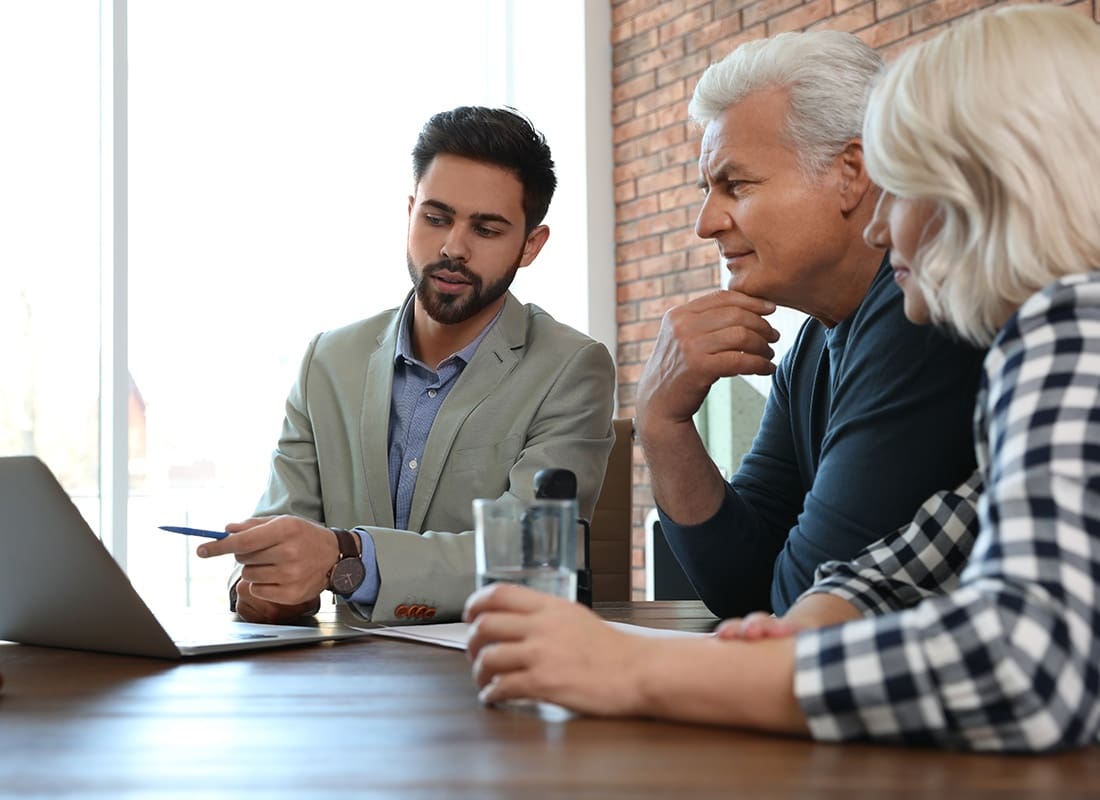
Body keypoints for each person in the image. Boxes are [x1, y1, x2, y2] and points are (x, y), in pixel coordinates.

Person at [465, 4, 1100, 751]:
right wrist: (664, 423)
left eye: (905, 185)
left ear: (989, 185)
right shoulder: (832, 344)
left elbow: (1028, 666)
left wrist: (641, 668)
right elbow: (919, 548)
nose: (878, 224)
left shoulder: (1066, 324)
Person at [198, 106, 616, 625]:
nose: (451, 248)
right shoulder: (326, 361)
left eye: (486, 230)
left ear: (531, 245)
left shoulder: (572, 368)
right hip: (339, 677)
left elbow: (534, 558)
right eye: (436, 219)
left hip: (489, 676)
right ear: (411, 210)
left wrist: (346, 555)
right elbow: (282, 526)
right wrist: (264, 583)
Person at [637, 29, 985, 618]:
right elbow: (743, 587)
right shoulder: (815, 341)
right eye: (707, 189)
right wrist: (661, 423)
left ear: (851, 172)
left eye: (736, 184)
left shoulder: (920, 319)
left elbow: (802, 604)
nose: (705, 222)